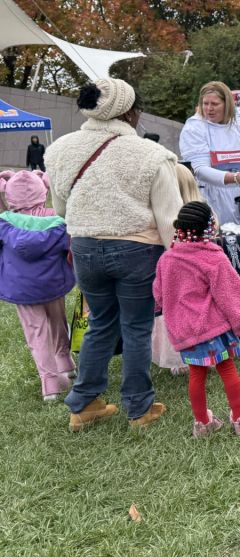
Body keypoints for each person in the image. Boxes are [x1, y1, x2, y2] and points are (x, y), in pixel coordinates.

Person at [45, 76, 182, 431]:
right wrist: (178, 260)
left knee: (101, 323)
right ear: (131, 112)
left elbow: (61, 208)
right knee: (136, 327)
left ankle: (84, 403)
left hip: (85, 247)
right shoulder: (153, 155)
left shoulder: (60, 149)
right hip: (137, 249)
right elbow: (170, 219)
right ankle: (139, 408)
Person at [153, 201, 240, 437]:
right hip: (214, 328)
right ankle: (239, 418)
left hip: (185, 330)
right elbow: (229, 295)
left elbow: (158, 295)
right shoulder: (213, 258)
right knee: (226, 368)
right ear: (209, 226)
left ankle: (202, 423)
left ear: (180, 228)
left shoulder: (167, 260)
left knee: (196, 374)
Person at [0, 170, 76, 400]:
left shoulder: (4, 224)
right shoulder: (58, 220)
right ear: (43, 191)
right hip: (54, 284)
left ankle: (50, 383)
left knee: (36, 332)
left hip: (22, 289)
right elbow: (70, 248)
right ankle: (66, 363)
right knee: (58, 323)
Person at [179, 81, 240, 226]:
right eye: (205, 103)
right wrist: (233, 177)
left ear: (227, 104)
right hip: (213, 196)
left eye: (215, 104)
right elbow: (199, 169)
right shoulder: (195, 128)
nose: (209, 109)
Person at [150, 164, 204, 376]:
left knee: (169, 313)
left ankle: (176, 358)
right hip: (196, 282)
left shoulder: (164, 217)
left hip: (170, 276)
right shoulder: (203, 215)